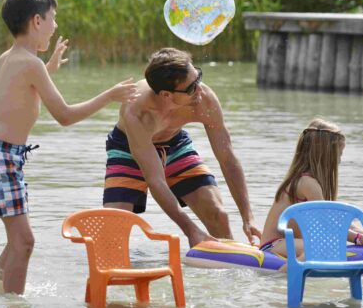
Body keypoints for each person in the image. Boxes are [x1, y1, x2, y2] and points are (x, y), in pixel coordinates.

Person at [0, 0, 138, 295]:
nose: (55, 25)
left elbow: (20, 89)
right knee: (24, 241)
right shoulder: (30, 64)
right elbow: (64, 116)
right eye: (53, 18)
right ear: (37, 21)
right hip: (0, 156)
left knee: (16, 240)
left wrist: (48, 69)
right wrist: (110, 95)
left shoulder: (10, 57)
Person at [103, 47, 262, 249]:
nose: (200, 89)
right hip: (128, 147)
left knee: (218, 215)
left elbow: (227, 157)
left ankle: (229, 273)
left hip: (175, 143)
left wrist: (248, 217)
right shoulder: (137, 112)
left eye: (198, 77)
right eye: (191, 87)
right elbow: (156, 180)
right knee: (113, 234)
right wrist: (190, 229)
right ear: (166, 95)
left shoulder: (204, 99)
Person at [259, 118, 363, 259]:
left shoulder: (309, 182)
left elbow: (335, 221)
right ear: (327, 155)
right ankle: (282, 278)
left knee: (325, 244)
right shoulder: (308, 184)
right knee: (324, 247)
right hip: (274, 245)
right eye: (339, 154)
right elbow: (327, 224)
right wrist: (360, 239)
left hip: (289, 243)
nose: (339, 160)